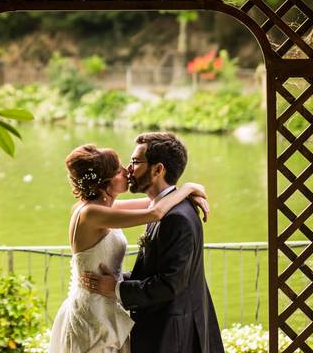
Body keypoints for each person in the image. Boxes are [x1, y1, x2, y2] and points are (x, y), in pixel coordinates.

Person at [48, 143, 209, 353]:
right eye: (117, 170)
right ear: (104, 182)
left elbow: (154, 203)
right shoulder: (90, 214)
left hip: (109, 304)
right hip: (93, 313)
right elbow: (156, 213)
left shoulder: (104, 208)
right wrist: (189, 188)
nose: (126, 170)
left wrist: (188, 194)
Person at [80, 132, 225, 353]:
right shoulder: (161, 208)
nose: (129, 169)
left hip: (172, 336)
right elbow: (155, 267)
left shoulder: (175, 217)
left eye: (135, 162)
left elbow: (169, 284)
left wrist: (117, 288)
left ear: (158, 169)